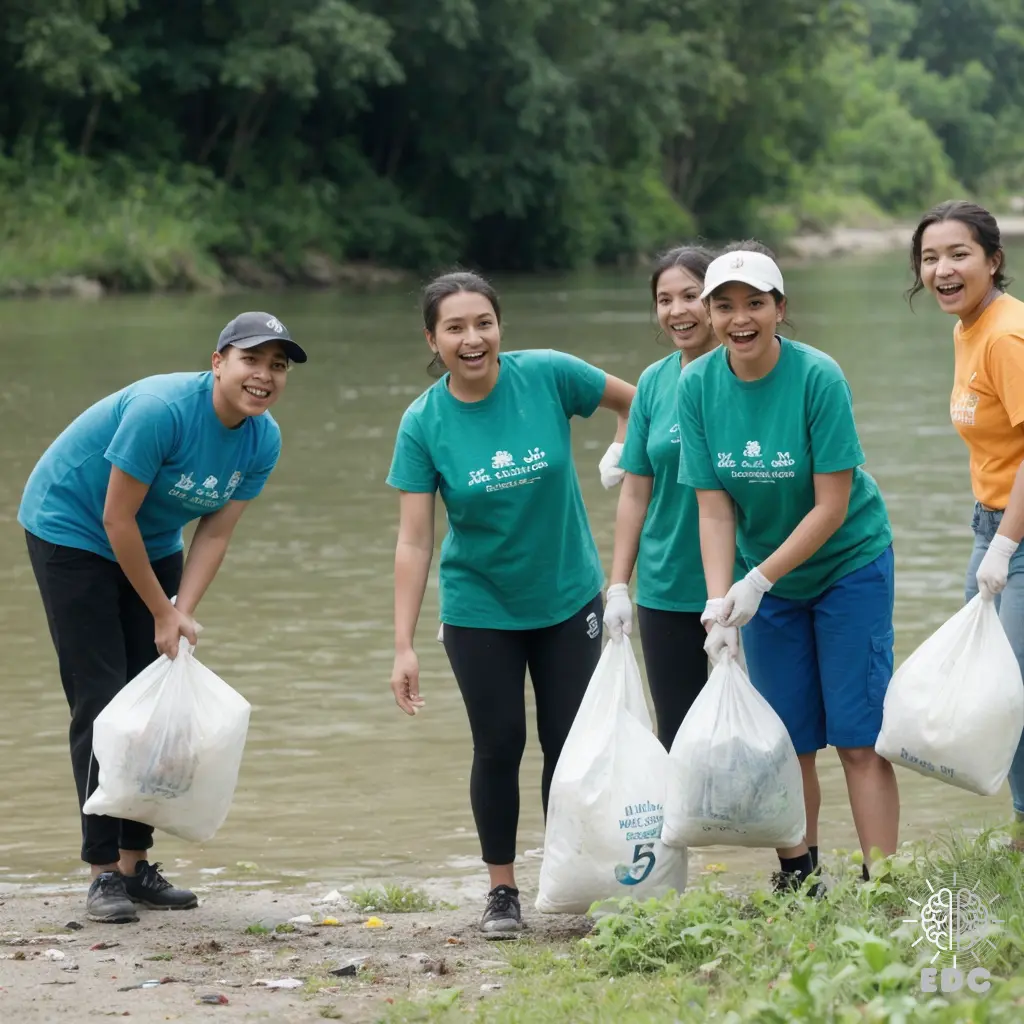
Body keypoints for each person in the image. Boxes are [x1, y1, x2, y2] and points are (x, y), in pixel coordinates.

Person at [18, 312, 305, 924]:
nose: (264, 376)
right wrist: (159, 609)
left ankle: (133, 863)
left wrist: (182, 611)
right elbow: (114, 519)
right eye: (252, 360)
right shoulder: (162, 410)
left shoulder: (263, 439)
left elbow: (216, 532)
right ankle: (101, 875)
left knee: (151, 710)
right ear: (218, 361)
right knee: (101, 700)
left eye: (277, 366)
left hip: (151, 542)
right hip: (72, 529)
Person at [385, 271, 636, 935]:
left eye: (483, 323)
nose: (473, 338)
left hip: (568, 597)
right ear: (432, 340)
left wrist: (621, 450)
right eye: (455, 328)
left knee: (568, 746)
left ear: (500, 326)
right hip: (479, 609)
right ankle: (502, 891)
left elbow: (639, 403)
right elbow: (414, 542)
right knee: (498, 746)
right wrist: (403, 644)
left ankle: (568, 874)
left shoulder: (550, 375)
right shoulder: (423, 421)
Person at [676, 242, 900, 893]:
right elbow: (714, 510)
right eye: (725, 305)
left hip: (847, 565)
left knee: (859, 737)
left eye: (755, 303)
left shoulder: (817, 377)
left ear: (780, 308)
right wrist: (720, 603)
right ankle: (800, 876)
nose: (740, 318)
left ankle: (880, 881)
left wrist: (756, 580)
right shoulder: (697, 386)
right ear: (710, 313)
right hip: (762, 580)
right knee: (788, 738)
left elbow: (832, 506)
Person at [908, 200, 1024, 849]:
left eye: (959, 255)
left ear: (993, 260)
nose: (943, 269)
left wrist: (1005, 543)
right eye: (930, 258)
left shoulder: (1007, 334)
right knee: (996, 692)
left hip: (1014, 536)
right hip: (993, 529)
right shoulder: (966, 329)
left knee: (1011, 696)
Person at [602, 244, 728, 748]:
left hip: (744, 585)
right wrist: (616, 586)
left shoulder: (749, 370)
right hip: (667, 585)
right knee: (677, 737)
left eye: (691, 296)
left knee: (752, 738)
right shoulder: (654, 381)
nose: (677, 311)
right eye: (664, 299)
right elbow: (635, 492)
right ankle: (683, 833)